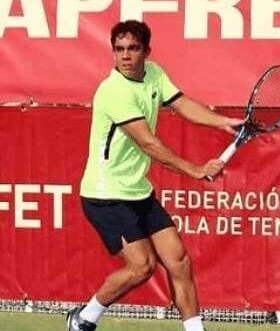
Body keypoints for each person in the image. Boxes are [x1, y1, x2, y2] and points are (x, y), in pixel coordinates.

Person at [67, 20, 245, 331]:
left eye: (133, 49)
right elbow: (148, 143)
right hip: (105, 195)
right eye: (119, 49)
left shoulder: (154, 73)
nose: (125, 56)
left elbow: (182, 103)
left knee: (179, 259)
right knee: (142, 266)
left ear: (146, 52)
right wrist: (195, 170)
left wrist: (221, 122)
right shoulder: (112, 91)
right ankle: (84, 319)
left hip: (138, 191)